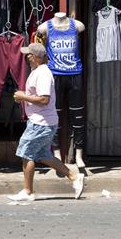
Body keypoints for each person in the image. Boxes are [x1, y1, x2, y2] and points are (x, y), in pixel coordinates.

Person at [7, 43, 85, 202]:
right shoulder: (38, 72)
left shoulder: (43, 74)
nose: (27, 57)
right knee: (43, 155)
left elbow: (44, 99)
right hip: (42, 121)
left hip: (40, 123)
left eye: (29, 54)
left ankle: (28, 191)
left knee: (26, 152)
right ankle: (74, 176)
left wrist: (23, 97)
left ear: (36, 57)